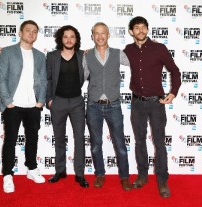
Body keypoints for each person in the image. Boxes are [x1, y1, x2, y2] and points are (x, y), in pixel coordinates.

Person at [123, 16, 181, 198]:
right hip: (137, 103)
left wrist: (173, 92)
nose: (140, 31)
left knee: (159, 142)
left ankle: (162, 180)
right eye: (137, 28)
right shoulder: (128, 50)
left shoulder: (159, 48)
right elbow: (107, 57)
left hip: (157, 103)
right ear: (131, 31)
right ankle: (142, 176)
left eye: (143, 27)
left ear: (147, 29)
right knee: (139, 141)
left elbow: (175, 70)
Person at [0, 20, 47, 193]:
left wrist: (40, 101)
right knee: (10, 140)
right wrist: (7, 101)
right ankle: (7, 174)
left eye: (34, 31)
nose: (31, 34)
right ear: (20, 33)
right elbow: (1, 78)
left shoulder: (40, 56)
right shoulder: (8, 52)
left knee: (33, 138)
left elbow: (44, 80)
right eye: (27, 30)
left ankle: (31, 169)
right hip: (13, 106)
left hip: (33, 105)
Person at [83, 22, 132, 191]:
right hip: (93, 106)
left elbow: (137, 59)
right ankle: (100, 174)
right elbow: (81, 77)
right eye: (96, 33)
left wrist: (149, 46)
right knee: (96, 144)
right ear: (92, 36)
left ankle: (125, 177)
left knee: (120, 143)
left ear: (108, 35)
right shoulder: (87, 56)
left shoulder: (119, 54)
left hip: (114, 105)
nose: (100, 36)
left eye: (103, 33)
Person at [46, 25, 89, 188]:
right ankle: (60, 171)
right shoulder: (51, 56)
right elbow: (47, 79)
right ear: (60, 39)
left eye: (72, 36)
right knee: (59, 138)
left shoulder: (83, 55)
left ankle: (79, 174)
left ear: (76, 39)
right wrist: (49, 99)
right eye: (66, 37)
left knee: (79, 138)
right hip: (58, 102)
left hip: (77, 102)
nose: (69, 39)